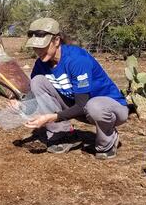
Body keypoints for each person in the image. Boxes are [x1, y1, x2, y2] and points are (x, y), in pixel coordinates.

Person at [21, 17, 128, 159]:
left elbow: (82, 104)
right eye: (35, 47)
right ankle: (62, 135)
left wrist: (50, 117)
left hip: (111, 108)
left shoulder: (77, 60)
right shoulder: (41, 63)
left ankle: (107, 143)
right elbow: (33, 92)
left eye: (42, 46)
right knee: (37, 81)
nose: (38, 51)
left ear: (56, 40)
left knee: (94, 106)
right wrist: (20, 104)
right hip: (79, 107)